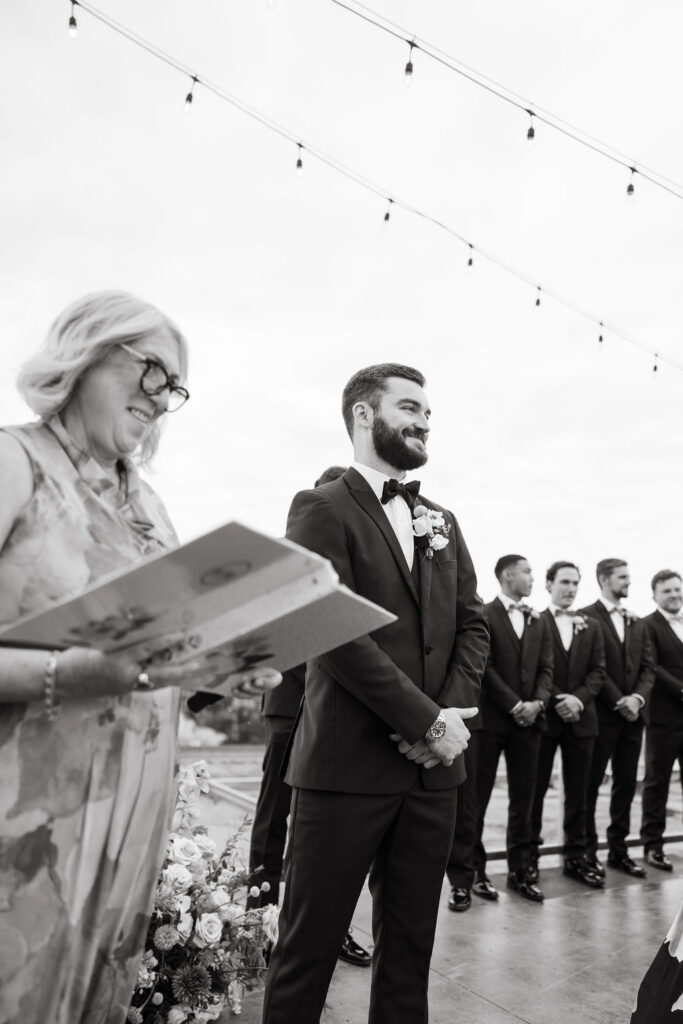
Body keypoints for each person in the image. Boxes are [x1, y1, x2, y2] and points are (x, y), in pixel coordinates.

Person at [0, 291, 252, 1024]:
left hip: (131, 828)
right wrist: (64, 675)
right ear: (84, 353)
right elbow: (96, 667)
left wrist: (229, 662)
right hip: (25, 826)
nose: (163, 400)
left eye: (174, 388)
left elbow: (163, 659)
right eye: (153, 374)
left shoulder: (153, 510)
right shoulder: (15, 462)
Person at [262, 363, 489, 1024]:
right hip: (345, 769)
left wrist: (448, 714)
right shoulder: (321, 507)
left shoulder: (440, 519)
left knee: (410, 951)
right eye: (409, 407)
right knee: (308, 949)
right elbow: (318, 623)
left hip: (432, 775)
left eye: (427, 412)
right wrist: (422, 720)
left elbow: (471, 620)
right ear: (364, 415)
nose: (423, 422)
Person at [248, 466, 371, 968]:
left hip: (340, 714)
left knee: (329, 834)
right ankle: (257, 922)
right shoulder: (285, 558)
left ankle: (331, 928)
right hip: (288, 704)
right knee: (274, 819)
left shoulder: (361, 564)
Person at [472, 555, 553, 903]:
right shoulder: (484, 614)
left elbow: (547, 668)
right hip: (490, 721)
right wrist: (513, 704)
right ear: (508, 575)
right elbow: (483, 666)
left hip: (530, 724)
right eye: (528, 572)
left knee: (525, 799)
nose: (532, 578)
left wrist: (538, 702)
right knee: (476, 800)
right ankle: (471, 875)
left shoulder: (538, 619)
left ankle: (520, 871)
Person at [529, 561, 605, 888]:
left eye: (576, 583)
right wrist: (561, 699)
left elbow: (598, 671)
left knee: (580, 794)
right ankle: (528, 860)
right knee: (534, 793)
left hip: (582, 718)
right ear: (548, 584)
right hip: (545, 720)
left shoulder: (592, 625)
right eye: (564, 582)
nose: (571, 588)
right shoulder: (535, 621)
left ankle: (577, 858)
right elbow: (534, 670)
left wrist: (578, 700)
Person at [580, 558, 655, 879]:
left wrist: (637, 699)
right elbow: (591, 666)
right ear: (603, 579)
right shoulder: (585, 615)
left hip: (633, 718)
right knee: (590, 786)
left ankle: (618, 850)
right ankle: (587, 850)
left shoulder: (637, 621)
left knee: (626, 784)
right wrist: (617, 700)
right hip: (601, 716)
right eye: (622, 577)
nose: (628, 582)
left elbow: (649, 667)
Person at [640, 569, 683, 870]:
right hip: (663, 718)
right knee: (658, 783)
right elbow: (652, 667)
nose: (675, 595)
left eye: (678, 590)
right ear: (654, 594)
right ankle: (652, 846)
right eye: (667, 590)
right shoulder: (647, 626)